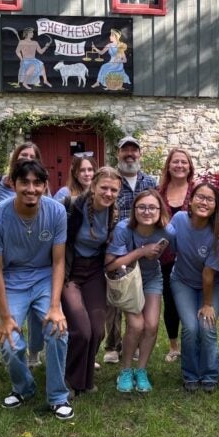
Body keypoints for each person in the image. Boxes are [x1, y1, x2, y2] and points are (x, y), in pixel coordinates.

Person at [0, 159, 73, 419]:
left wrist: (56, 307)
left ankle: (57, 396)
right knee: (10, 341)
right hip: (10, 279)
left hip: (44, 276)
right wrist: (5, 317)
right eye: (24, 182)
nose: (31, 189)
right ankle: (23, 387)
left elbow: (58, 262)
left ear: (45, 186)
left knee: (58, 330)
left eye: (37, 183)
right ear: (13, 184)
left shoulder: (56, 212)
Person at [0, 141, 44, 368]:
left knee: (38, 316)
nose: (27, 159)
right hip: (4, 257)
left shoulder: (41, 188)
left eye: (32, 156)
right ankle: (15, 351)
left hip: (33, 258)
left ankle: (35, 353)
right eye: (22, 155)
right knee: (11, 312)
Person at [61, 166, 121, 394]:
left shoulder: (113, 213)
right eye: (104, 187)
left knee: (97, 330)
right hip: (70, 271)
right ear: (93, 186)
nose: (108, 193)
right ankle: (71, 380)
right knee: (81, 330)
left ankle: (84, 379)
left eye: (114, 190)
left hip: (94, 272)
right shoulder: (72, 207)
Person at [106, 189, 169, 393]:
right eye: (142, 207)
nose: (147, 211)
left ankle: (141, 370)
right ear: (134, 210)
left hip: (151, 278)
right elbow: (109, 265)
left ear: (160, 210)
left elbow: (179, 250)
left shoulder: (168, 231)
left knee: (150, 325)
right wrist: (141, 251)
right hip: (129, 279)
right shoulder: (124, 228)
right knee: (136, 325)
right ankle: (125, 370)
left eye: (152, 207)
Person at [102, 135, 158, 364]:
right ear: (118, 154)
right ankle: (112, 346)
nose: (130, 154)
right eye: (125, 151)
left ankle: (133, 346)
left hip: (142, 246)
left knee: (137, 294)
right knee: (115, 296)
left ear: (140, 155)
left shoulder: (150, 182)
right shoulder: (112, 180)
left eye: (134, 151)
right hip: (116, 246)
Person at [166, 181, 219, 391]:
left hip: (212, 285)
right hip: (182, 281)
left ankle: (209, 374)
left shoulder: (218, 234)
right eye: (200, 197)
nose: (204, 202)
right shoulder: (179, 219)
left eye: (210, 199)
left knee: (207, 325)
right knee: (191, 327)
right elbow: (169, 243)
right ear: (190, 201)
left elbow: (209, 275)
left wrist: (208, 304)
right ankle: (190, 374)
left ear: (215, 206)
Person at [158, 148, 196, 365]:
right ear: (168, 166)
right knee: (170, 302)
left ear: (189, 167)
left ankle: (194, 340)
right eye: (175, 162)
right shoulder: (159, 191)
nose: (180, 165)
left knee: (191, 301)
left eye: (184, 162)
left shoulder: (196, 190)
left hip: (191, 256)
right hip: (164, 257)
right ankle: (174, 346)